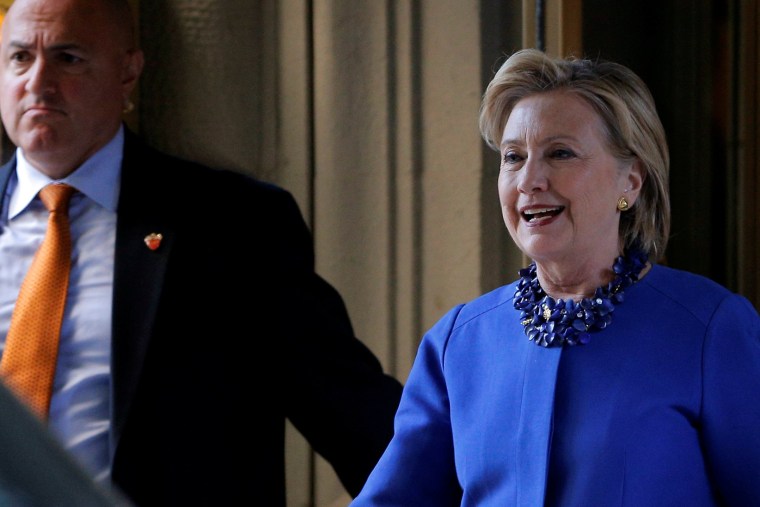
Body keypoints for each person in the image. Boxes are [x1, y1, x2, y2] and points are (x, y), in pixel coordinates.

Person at [0, 0, 402, 505]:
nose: (37, 81)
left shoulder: (234, 224)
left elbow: (350, 412)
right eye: (19, 57)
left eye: (68, 57)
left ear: (128, 73)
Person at [351, 48, 760, 506]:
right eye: (512, 157)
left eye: (560, 153)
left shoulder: (710, 329)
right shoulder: (459, 343)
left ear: (631, 181)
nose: (530, 179)